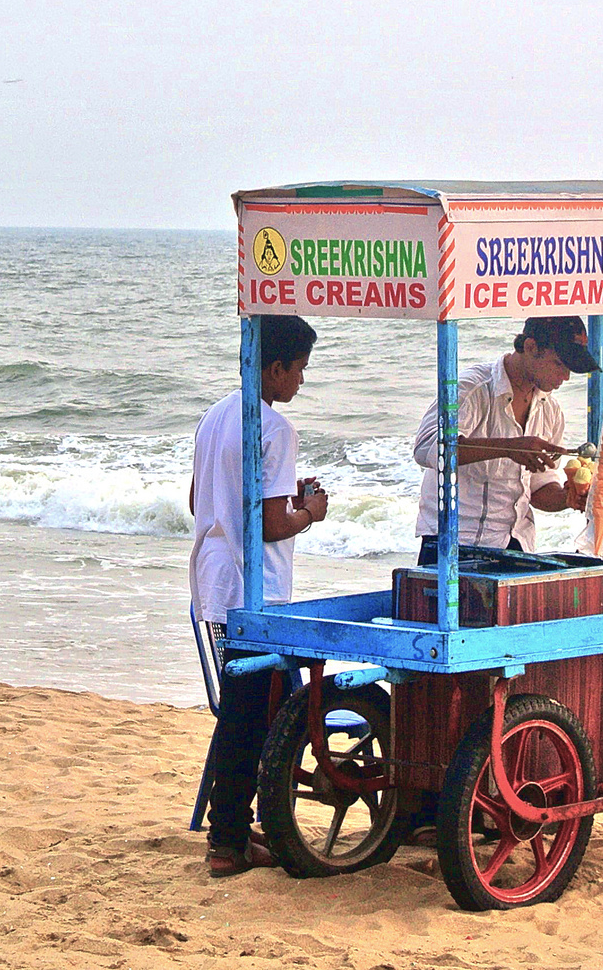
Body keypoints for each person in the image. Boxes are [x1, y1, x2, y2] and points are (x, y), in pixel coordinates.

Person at [189, 315, 329, 877]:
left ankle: (236, 830)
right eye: (299, 372)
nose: (300, 383)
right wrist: (309, 513)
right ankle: (228, 839)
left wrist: (280, 501)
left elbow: (200, 497)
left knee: (245, 708)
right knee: (251, 715)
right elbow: (272, 526)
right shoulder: (275, 429)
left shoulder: (217, 414)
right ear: (275, 368)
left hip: (214, 578)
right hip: (255, 588)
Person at [412, 315, 599, 562]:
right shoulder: (473, 389)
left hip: (516, 544)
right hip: (453, 543)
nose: (565, 377)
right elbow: (427, 448)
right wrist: (508, 448)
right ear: (530, 347)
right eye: (559, 364)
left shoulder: (549, 410)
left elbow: (539, 487)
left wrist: (568, 497)